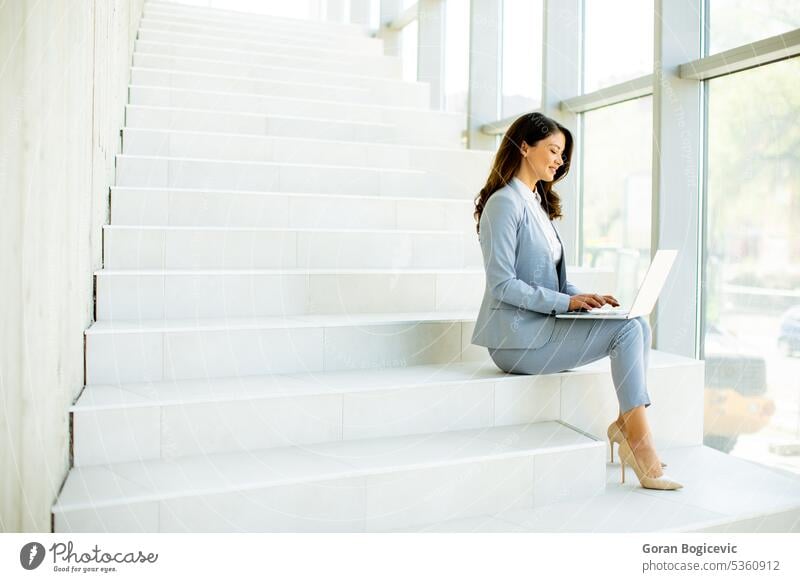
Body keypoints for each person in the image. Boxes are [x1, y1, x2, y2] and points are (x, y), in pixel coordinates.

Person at [470, 112, 682, 490]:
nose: (559, 160)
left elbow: (557, 280)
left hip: (544, 327)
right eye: (553, 150)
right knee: (628, 332)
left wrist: (581, 297)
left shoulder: (535, 203)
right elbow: (503, 285)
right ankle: (638, 441)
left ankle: (625, 425)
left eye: (563, 154)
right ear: (524, 146)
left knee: (637, 322)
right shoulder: (504, 204)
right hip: (515, 342)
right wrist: (566, 305)